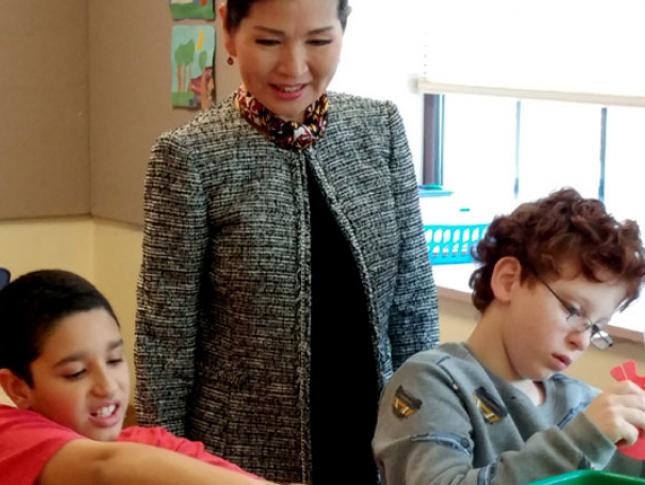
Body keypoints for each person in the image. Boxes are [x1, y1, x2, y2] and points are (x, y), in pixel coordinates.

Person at [134, 0, 439, 482]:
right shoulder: (189, 156)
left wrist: (429, 429)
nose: (294, 67)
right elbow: (165, 337)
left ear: (343, 31)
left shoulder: (379, 129)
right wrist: (161, 464)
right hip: (238, 457)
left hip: (375, 442)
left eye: (318, 40)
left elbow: (412, 302)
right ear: (229, 33)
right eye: (268, 40)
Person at [373, 188, 645, 484]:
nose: (581, 341)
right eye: (573, 310)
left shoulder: (581, 403)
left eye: (594, 327)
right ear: (508, 280)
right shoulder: (431, 383)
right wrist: (581, 442)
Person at [0, 269, 283, 485]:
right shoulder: (9, 434)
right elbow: (105, 468)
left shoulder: (152, 446)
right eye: (76, 373)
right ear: (17, 387)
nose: (108, 386)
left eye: (114, 360)